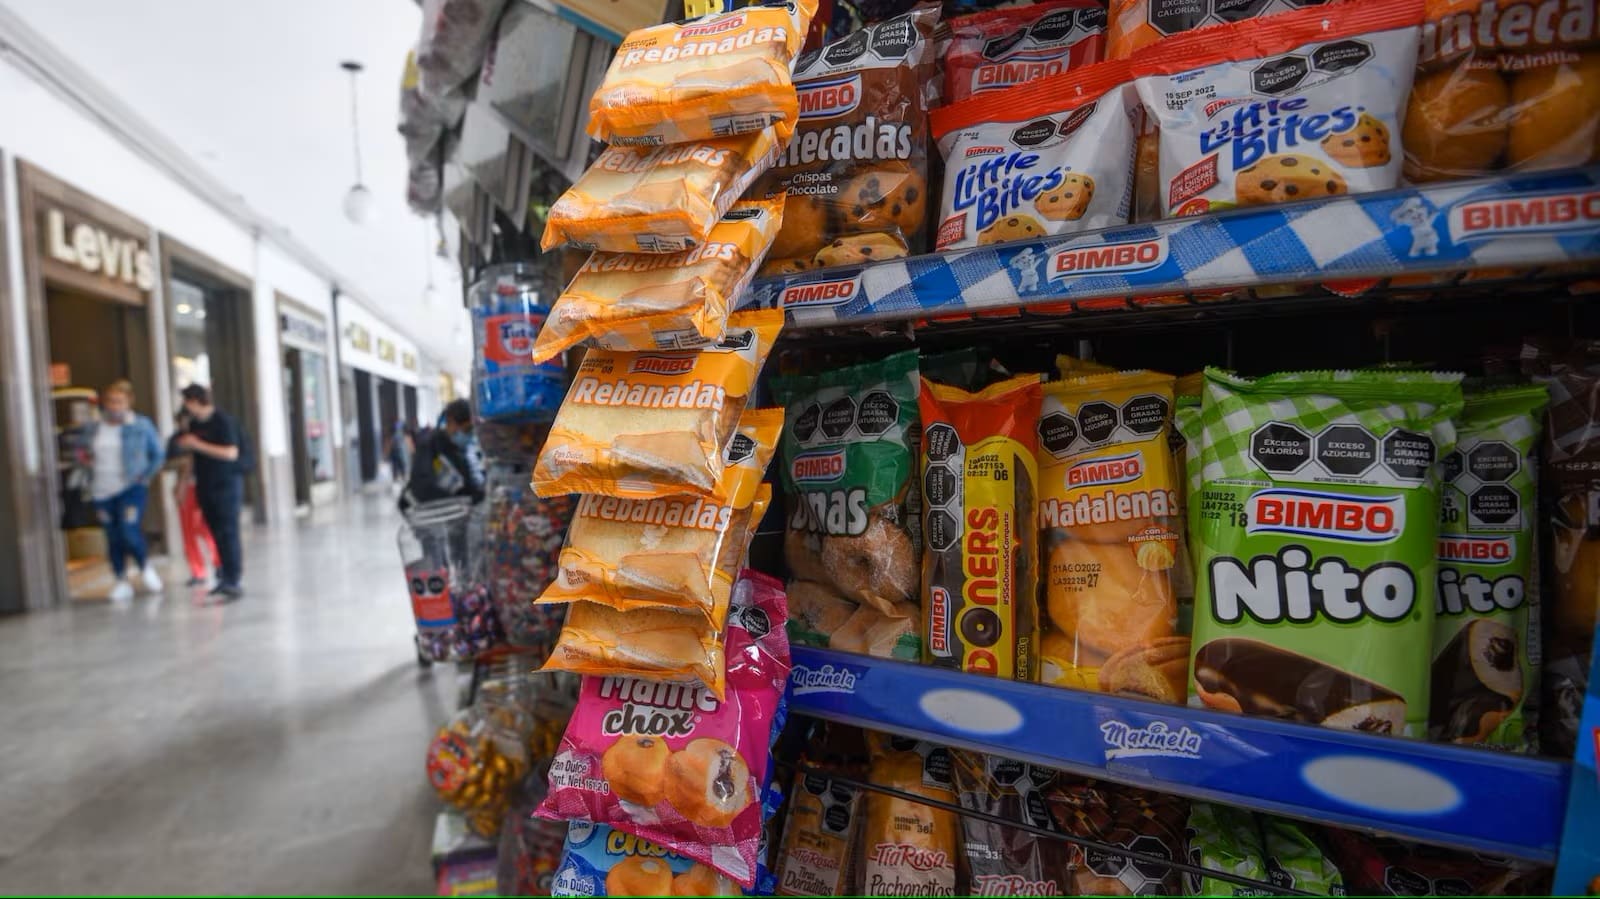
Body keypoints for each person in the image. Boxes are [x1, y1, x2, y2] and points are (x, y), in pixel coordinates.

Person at [78, 380, 165, 602]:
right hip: (101, 489)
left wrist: (144, 477)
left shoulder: (140, 425)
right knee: (113, 536)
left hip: (130, 487)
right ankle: (121, 580)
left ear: (128, 402)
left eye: (119, 402)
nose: (114, 406)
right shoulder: (94, 427)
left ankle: (144, 566)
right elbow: (81, 452)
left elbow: (157, 454)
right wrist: (84, 461)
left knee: (129, 530)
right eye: (110, 401)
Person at [177, 384, 245, 600]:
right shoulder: (194, 424)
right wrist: (183, 483)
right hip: (204, 484)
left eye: (187, 402)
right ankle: (223, 576)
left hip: (226, 483)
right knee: (215, 532)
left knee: (228, 532)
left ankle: (233, 579)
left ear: (196, 401)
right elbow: (192, 458)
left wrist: (198, 444)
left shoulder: (223, 421)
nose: (186, 407)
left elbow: (231, 453)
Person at [400, 399, 484, 513]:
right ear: (451, 422)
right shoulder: (429, 446)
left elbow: (461, 486)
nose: (469, 434)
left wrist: (478, 495)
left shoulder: (455, 450)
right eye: (467, 429)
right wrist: (458, 502)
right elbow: (423, 487)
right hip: (424, 513)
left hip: (447, 510)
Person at [166, 411, 218, 587]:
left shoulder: (205, 436)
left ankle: (218, 563)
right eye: (182, 421)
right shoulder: (175, 440)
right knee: (188, 530)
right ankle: (197, 571)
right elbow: (168, 463)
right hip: (186, 487)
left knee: (206, 527)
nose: (186, 424)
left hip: (206, 485)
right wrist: (184, 462)